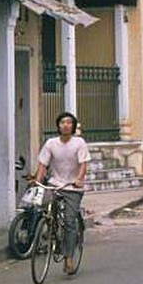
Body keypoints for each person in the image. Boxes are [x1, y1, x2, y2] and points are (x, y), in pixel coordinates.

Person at [34, 112, 90, 275]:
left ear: (73, 126)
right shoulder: (51, 143)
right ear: (58, 125)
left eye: (69, 123)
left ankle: (69, 257)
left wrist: (79, 179)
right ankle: (49, 233)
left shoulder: (79, 143)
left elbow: (83, 165)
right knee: (43, 207)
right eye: (62, 122)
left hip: (73, 187)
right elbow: (43, 164)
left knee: (70, 222)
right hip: (55, 184)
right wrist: (38, 182)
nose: (65, 125)